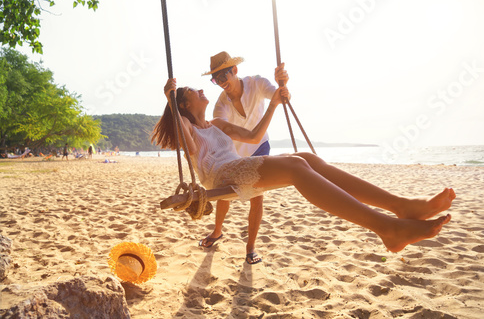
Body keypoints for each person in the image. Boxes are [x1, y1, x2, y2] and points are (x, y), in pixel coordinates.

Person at [152, 78, 455, 262]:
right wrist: (169, 98)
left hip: (237, 169)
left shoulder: (216, 124)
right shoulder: (189, 128)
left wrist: (275, 102)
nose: (202, 90)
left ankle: (401, 206)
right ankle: (387, 228)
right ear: (185, 103)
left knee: (306, 157)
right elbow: (191, 149)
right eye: (193, 91)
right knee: (297, 166)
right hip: (223, 175)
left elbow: (254, 137)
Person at [198, 51, 289, 264]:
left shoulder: (256, 83)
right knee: (223, 194)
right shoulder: (220, 105)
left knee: (257, 196)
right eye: (215, 79)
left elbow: (280, 96)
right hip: (236, 152)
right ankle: (217, 231)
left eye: (223, 77)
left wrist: (282, 84)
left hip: (259, 147)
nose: (221, 83)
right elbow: (224, 131)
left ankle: (250, 248)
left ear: (235, 70)